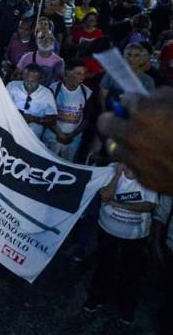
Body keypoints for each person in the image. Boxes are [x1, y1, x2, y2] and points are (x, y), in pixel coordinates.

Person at [84, 162, 157, 325]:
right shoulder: (112, 169)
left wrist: (118, 204)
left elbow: (149, 205)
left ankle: (127, 307)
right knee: (103, 266)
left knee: (130, 272)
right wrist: (117, 175)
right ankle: (96, 298)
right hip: (108, 229)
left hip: (135, 237)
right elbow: (105, 196)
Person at [43, 59, 91, 161]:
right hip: (52, 137)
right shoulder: (53, 89)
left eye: (84, 74)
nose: (82, 77)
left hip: (72, 140)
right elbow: (46, 115)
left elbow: (87, 119)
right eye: (78, 73)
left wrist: (71, 135)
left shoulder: (87, 92)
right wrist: (59, 133)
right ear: (68, 73)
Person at [6, 64, 57, 141]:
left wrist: (32, 119)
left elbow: (52, 120)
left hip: (32, 138)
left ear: (40, 80)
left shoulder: (47, 94)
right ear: (23, 76)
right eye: (26, 80)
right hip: (11, 131)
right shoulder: (12, 86)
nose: (29, 84)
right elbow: (2, 105)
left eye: (33, 81)